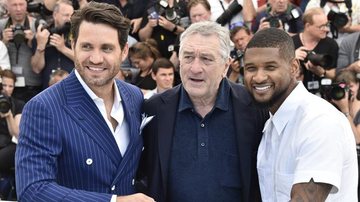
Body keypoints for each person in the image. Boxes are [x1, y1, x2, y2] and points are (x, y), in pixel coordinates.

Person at [15, 2, 155, 201]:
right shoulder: (43, 108)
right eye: (87, 47)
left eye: (106, 48)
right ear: (73, 46)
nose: (96, 59)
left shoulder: (134, 96)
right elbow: (33, 190)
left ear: (124, 52)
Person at [137, 21, 268, 202]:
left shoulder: (254, 107)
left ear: (225, 65)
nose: (195, 68)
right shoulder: (155, 110)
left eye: (206, 58)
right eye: (188, 57)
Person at [243, 27, 358, 201]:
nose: (258, 77)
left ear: (294, 67)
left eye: (270, 67)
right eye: (251, 68)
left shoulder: (320, 122)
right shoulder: (271, 125)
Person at [0, 0, 41, 102]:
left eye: (21, 4)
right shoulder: (2, 25)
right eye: (14, 5)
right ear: (8, 7)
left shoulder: (36, 25)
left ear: (26, 6)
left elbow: (44, 54)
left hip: (33, 85)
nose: (18, 9)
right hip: (8, 87)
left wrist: (33, 42)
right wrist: (3, 42)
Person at [293, 7, 338, 96]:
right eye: (321, 26)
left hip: (324, 94)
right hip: (295, 93)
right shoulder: (290, 43)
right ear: (308, 26)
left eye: (327, 24)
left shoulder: (331, 44)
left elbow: (336, 74)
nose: (327, 29)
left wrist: (322, 72)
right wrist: (291, 58)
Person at [31, 0, 75, 89]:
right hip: (49, 89)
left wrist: (63, 48)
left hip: (72, 87)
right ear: (55, 15)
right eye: (66, 15)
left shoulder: (77, 35)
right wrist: (41, 46)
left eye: (72, 16)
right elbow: (36, 69)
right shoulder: (43, 35)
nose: (69, 19)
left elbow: (83, 61)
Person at [0, 69, 24, 175]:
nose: (7, 89)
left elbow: (17, 134)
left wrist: (9, 116)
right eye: (4, 85)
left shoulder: (18, 104)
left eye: (10, 86)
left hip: (10, 143)